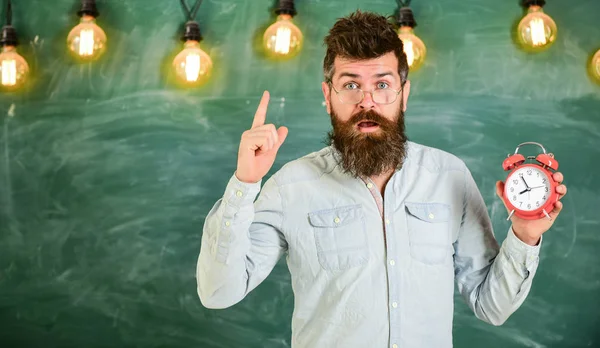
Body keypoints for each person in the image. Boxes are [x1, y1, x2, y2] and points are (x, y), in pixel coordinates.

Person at [196, 10, 567, 348]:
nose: (367, 101)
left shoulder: (449, 176)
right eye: (351, 85)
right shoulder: (289, 186)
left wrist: (525, 235)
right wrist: (245, 183)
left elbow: (492, 307)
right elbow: (218, 292)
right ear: (328, 95)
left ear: (404, 94)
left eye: (383, 85)